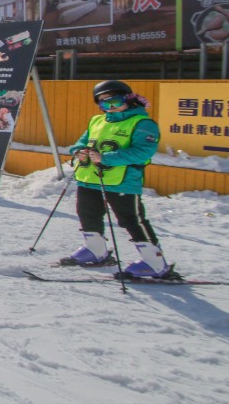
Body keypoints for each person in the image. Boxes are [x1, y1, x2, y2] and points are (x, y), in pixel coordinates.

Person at [62, 79, 171, 278]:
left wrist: (107, 158)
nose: (109, 108)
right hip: (90, 177)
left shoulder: (142, 123)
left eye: (114, 101)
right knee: (87, 213)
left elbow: (143, 152)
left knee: (131, 220)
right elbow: (82, 141)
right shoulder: (97, 121)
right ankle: (95, 250)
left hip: (123, 181)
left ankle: (155, 262)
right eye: (104, 104)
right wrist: (78, 150)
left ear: (129, 98)